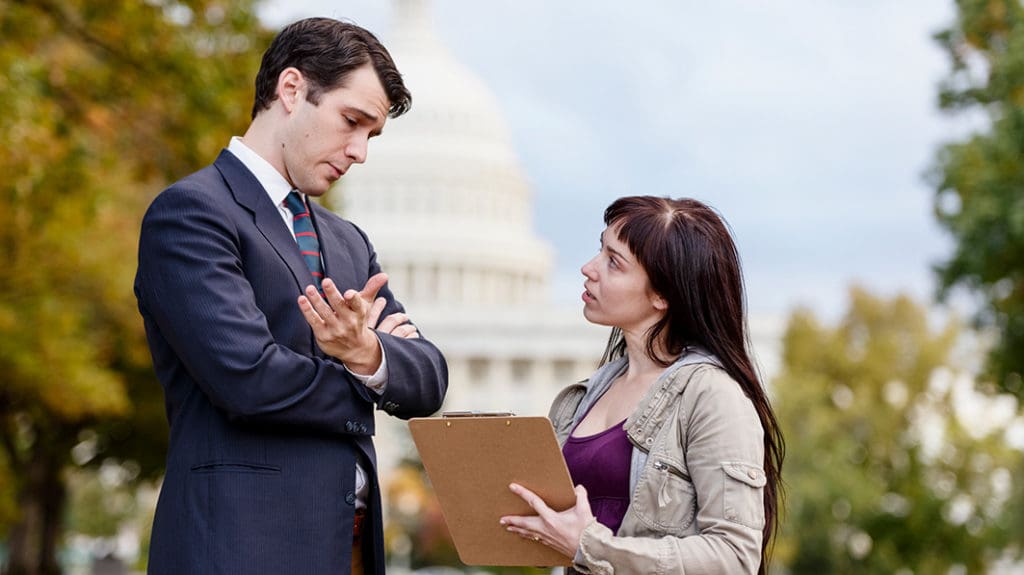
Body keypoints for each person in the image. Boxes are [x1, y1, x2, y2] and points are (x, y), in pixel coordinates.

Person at [134, 18, 448, 575]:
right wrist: (369, 371)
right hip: (239, 545)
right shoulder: (191, 214)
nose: (360, 152)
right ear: (292, 89)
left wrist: (365, 353)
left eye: (371, 136)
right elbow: (248, 379)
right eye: (352, 122)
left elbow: (427, 380)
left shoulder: (348, 241)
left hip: (349, 550)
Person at [500, 196, 784, 574]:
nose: (588, 269)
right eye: (599, 250)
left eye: (614, 263)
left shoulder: (712, 397)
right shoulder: (580, 398)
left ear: (662, 294)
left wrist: (592, 547)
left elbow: (734, 558)